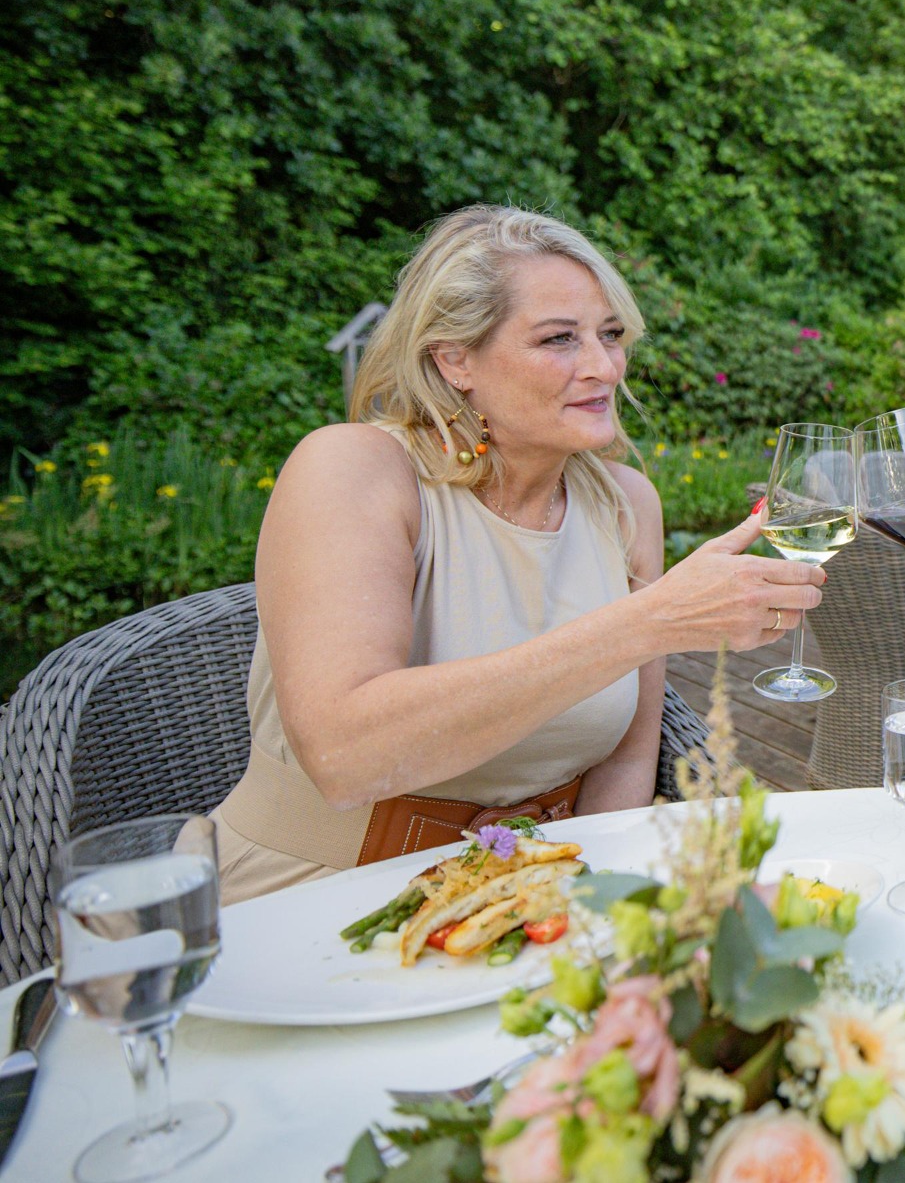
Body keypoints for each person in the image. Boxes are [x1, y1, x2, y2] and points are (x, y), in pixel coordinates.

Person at [213, 205, 822, 903]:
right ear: (455, 358)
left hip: (540, 888)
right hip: (322, 892)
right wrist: (651, 620)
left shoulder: (625, 504)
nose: (604, 366)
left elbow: (628, 756)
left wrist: (586, 897)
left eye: (610, 335)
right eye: (560, 339)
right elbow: (345, 756)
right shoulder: (355, 470)